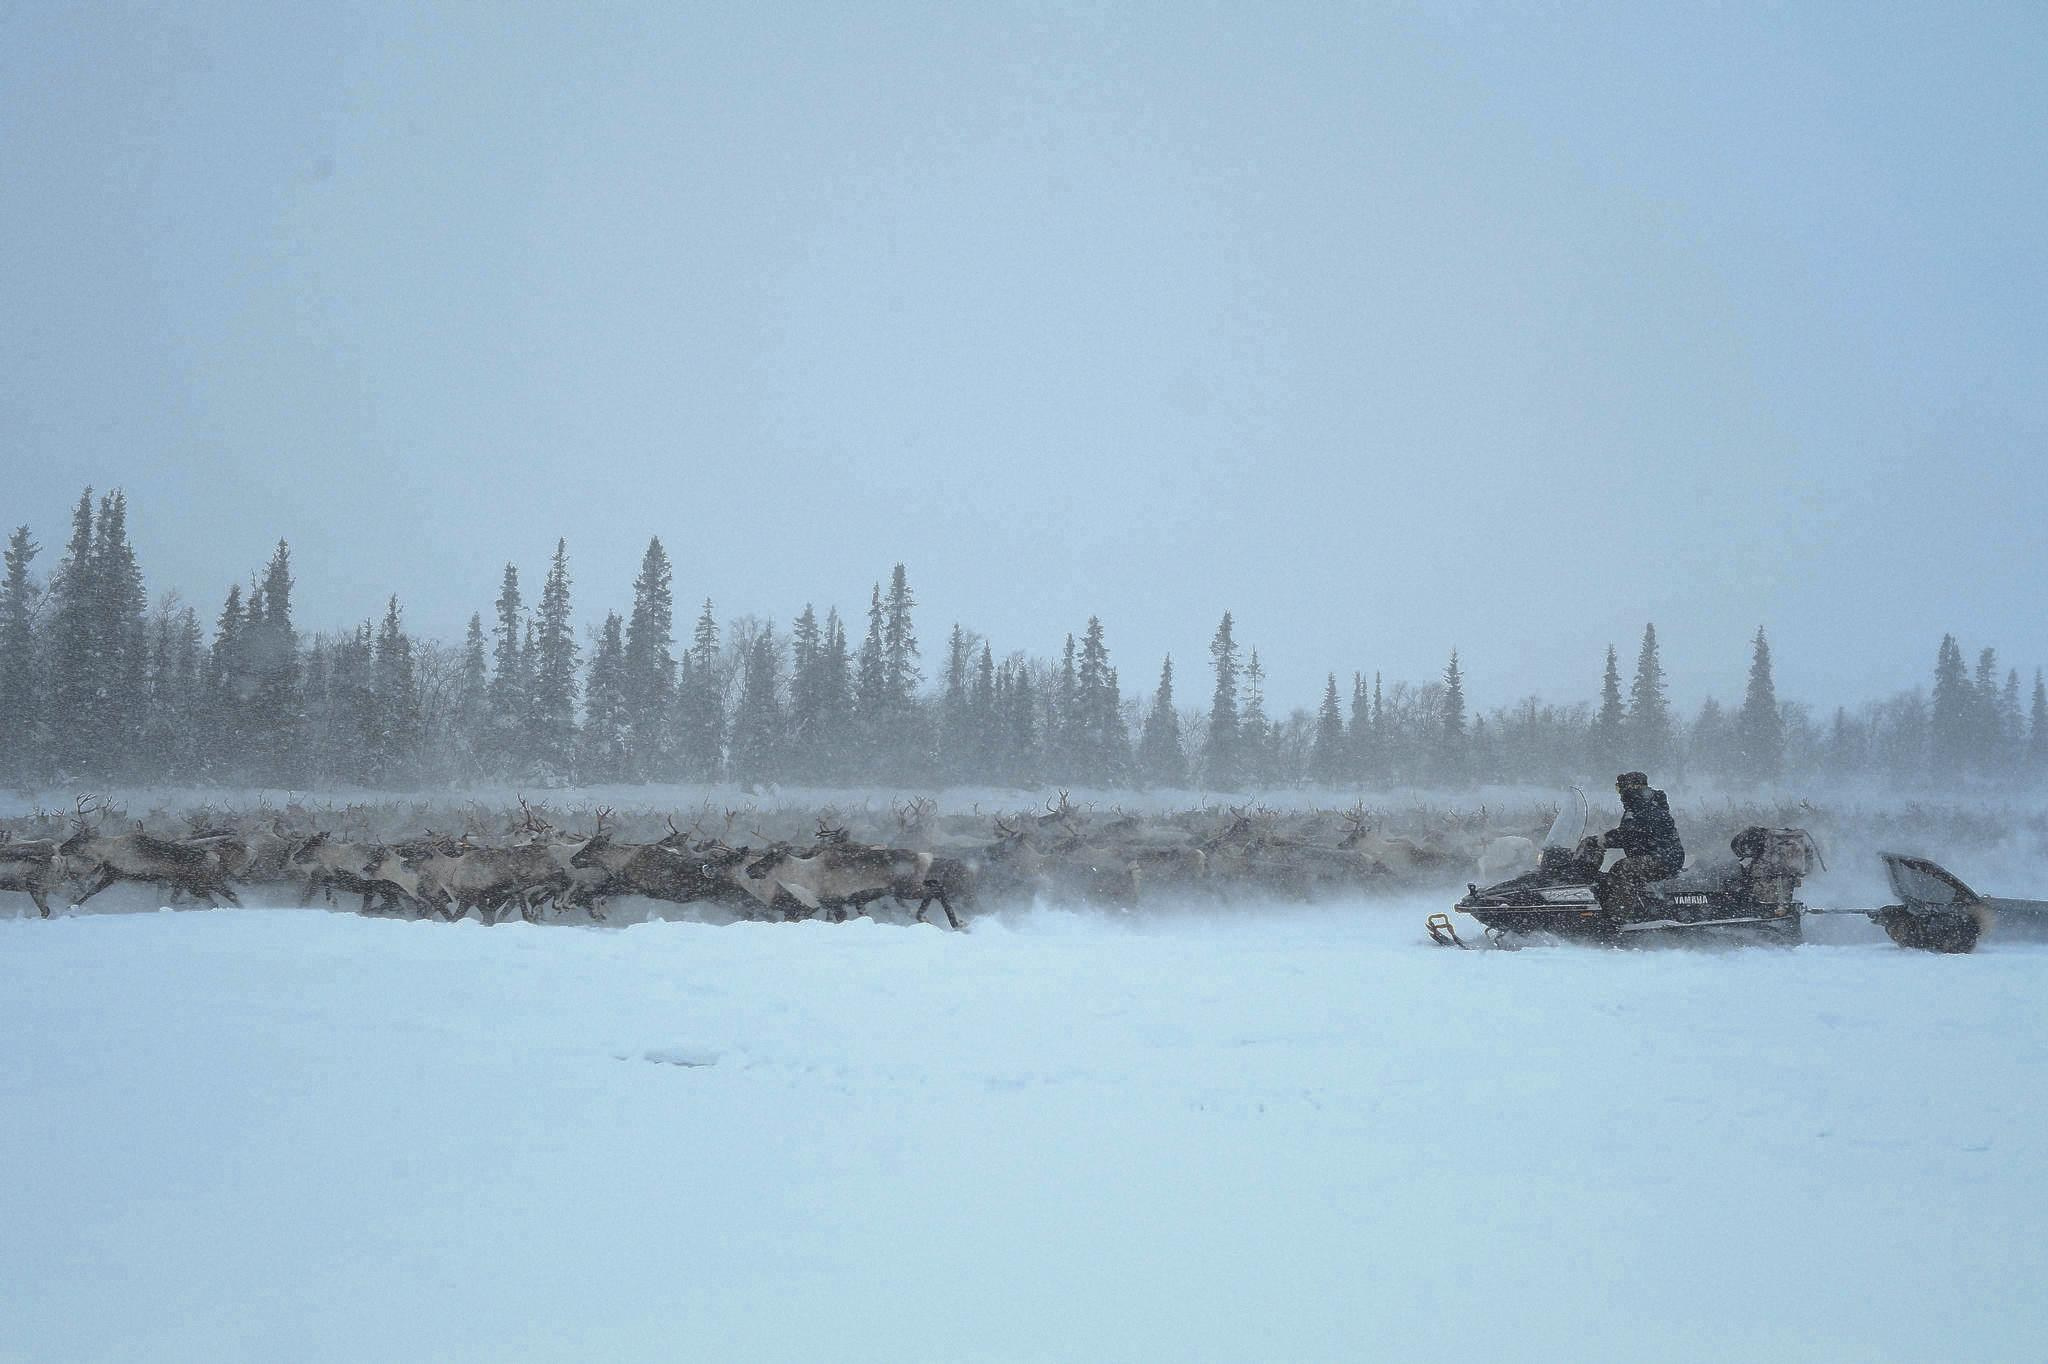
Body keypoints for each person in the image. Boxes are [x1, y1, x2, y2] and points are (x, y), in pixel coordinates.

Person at [1600, 772, 1684, 913]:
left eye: (1621, 788)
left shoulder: (1645, 805)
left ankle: (1618, 914)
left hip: (1664, 858)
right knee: (1617, 871)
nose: (1620, 794)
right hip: (1658, 855)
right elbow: (1630, 833)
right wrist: (1603, 839)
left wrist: (1603, 840)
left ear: (1634, 786)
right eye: (1618, 789)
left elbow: (1631, 833)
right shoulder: (1638, 804)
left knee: (1623, 867)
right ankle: (1611, 901)